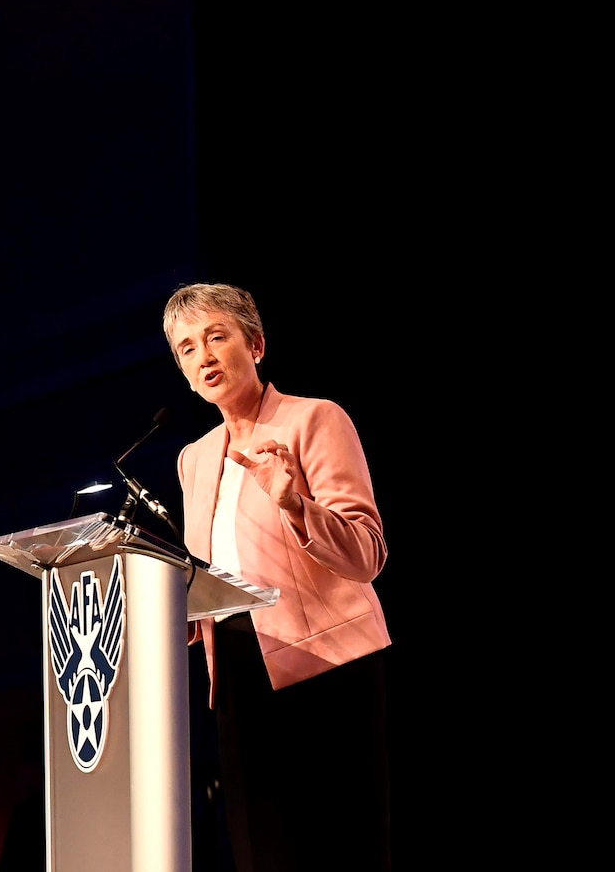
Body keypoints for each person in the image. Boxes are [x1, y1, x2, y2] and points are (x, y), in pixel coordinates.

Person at [162, 283, 391, 872]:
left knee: (340, 849)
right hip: (238, 671)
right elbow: (215, 569)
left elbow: (366, 554)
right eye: (187, 348)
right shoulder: (195, 456)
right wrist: (177, 611)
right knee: (264, 853)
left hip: (327, 667)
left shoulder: (314, 419)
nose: (204, 356)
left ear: (256, 345)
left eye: (217, 337)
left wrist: (296, 507)